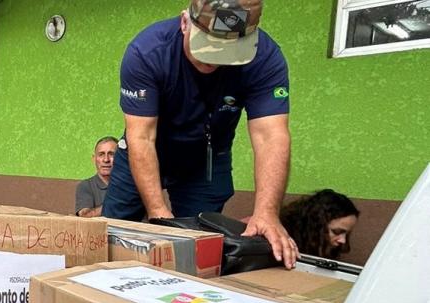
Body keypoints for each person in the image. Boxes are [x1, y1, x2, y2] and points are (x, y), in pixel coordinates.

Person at [102, 0, 298, 269]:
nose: (213, 59)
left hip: (205, 158)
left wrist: (267, 212)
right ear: (185, 22)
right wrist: (159, 215)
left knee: (197, 248)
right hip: (146, 149)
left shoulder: (264, 58)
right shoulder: (147, 52)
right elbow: (141, 137)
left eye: (227, 51)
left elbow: (270, 137)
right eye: (207, 46)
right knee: (112, 233)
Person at [280, 189, 359, 260]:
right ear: (315, 226)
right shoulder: (280, 244)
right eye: (337, 231)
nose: (343, 241)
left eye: (347, 234)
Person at [75, 136, 117, 217]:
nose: (106, 160)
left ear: (120, 159)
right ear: (94, 159)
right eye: (101, 154)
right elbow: (85, 215)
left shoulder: (131, 185)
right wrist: (120, 202)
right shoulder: (85, 186)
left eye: (111, 154)